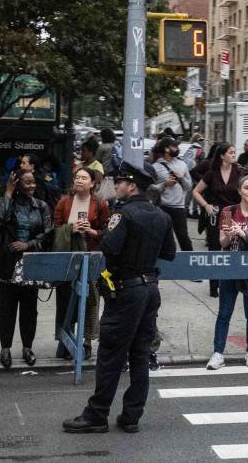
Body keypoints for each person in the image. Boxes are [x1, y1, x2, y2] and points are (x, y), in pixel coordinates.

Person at [62, 163, 176, 434]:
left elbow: (109, 247)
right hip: (150, 289)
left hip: (126, 291)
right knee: (140, 354)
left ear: (132, 185)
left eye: (121, 182)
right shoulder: (162, 216)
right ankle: (131, 416)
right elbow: (169, 253)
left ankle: (97, 414)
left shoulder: (123, 215)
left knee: (111, 354)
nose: (117, 186)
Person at [207, 175, 248, 370]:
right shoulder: (228, 211)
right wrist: (230, 233)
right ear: (240, 190)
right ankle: (218, 353)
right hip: (229, 267)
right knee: (224, 312)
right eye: (247, 188)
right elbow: (222, 243)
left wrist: (243, 233)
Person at [0, 171, 54, 368]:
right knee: (7, 308)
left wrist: (30, 244)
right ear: (17, 184)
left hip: (31, 263)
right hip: (8, 263)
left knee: (29, 309)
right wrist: (7, 193)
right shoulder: (7, 203)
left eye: (33, 182)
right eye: (26, 182)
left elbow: (48, 233)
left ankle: (27, 347)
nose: (31, 185)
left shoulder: (41, 206)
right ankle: (5, 349)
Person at [53, 167, 111, 359]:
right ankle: (65, 341)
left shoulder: (100, 204)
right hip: (68, 259)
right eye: (77, 177)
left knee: (90, 301)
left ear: (92, 183)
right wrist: (71, 229)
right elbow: (55, 229)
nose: (79, 181)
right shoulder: (64, 202)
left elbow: (108, 232)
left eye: (84, 178)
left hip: (91, 257)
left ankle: (86, 342)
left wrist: (93, 232)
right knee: (66, 301)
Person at [192, 143, 244, 298]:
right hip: (215, 213)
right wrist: (206, 205)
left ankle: (230, 283)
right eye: (230, 152)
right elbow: (196, 191)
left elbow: (245, 192)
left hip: (231, 213)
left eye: (235, 152)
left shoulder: (239, 172)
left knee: (231, 247)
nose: (234, 155)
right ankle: (214, 286)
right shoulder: (212, 173)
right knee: (214, 249)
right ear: (222, 155)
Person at [151, 136, 193, 252]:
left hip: (179, 207)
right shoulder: (155, 167)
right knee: (162, 238)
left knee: (183, 237)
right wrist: (165, 184)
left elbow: (189, 186)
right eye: (174, 146)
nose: (177, 148)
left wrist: (181, 178)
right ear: (166, 149)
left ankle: (190, 262)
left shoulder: (182, 164)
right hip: (162, 207)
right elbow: (150, 189)